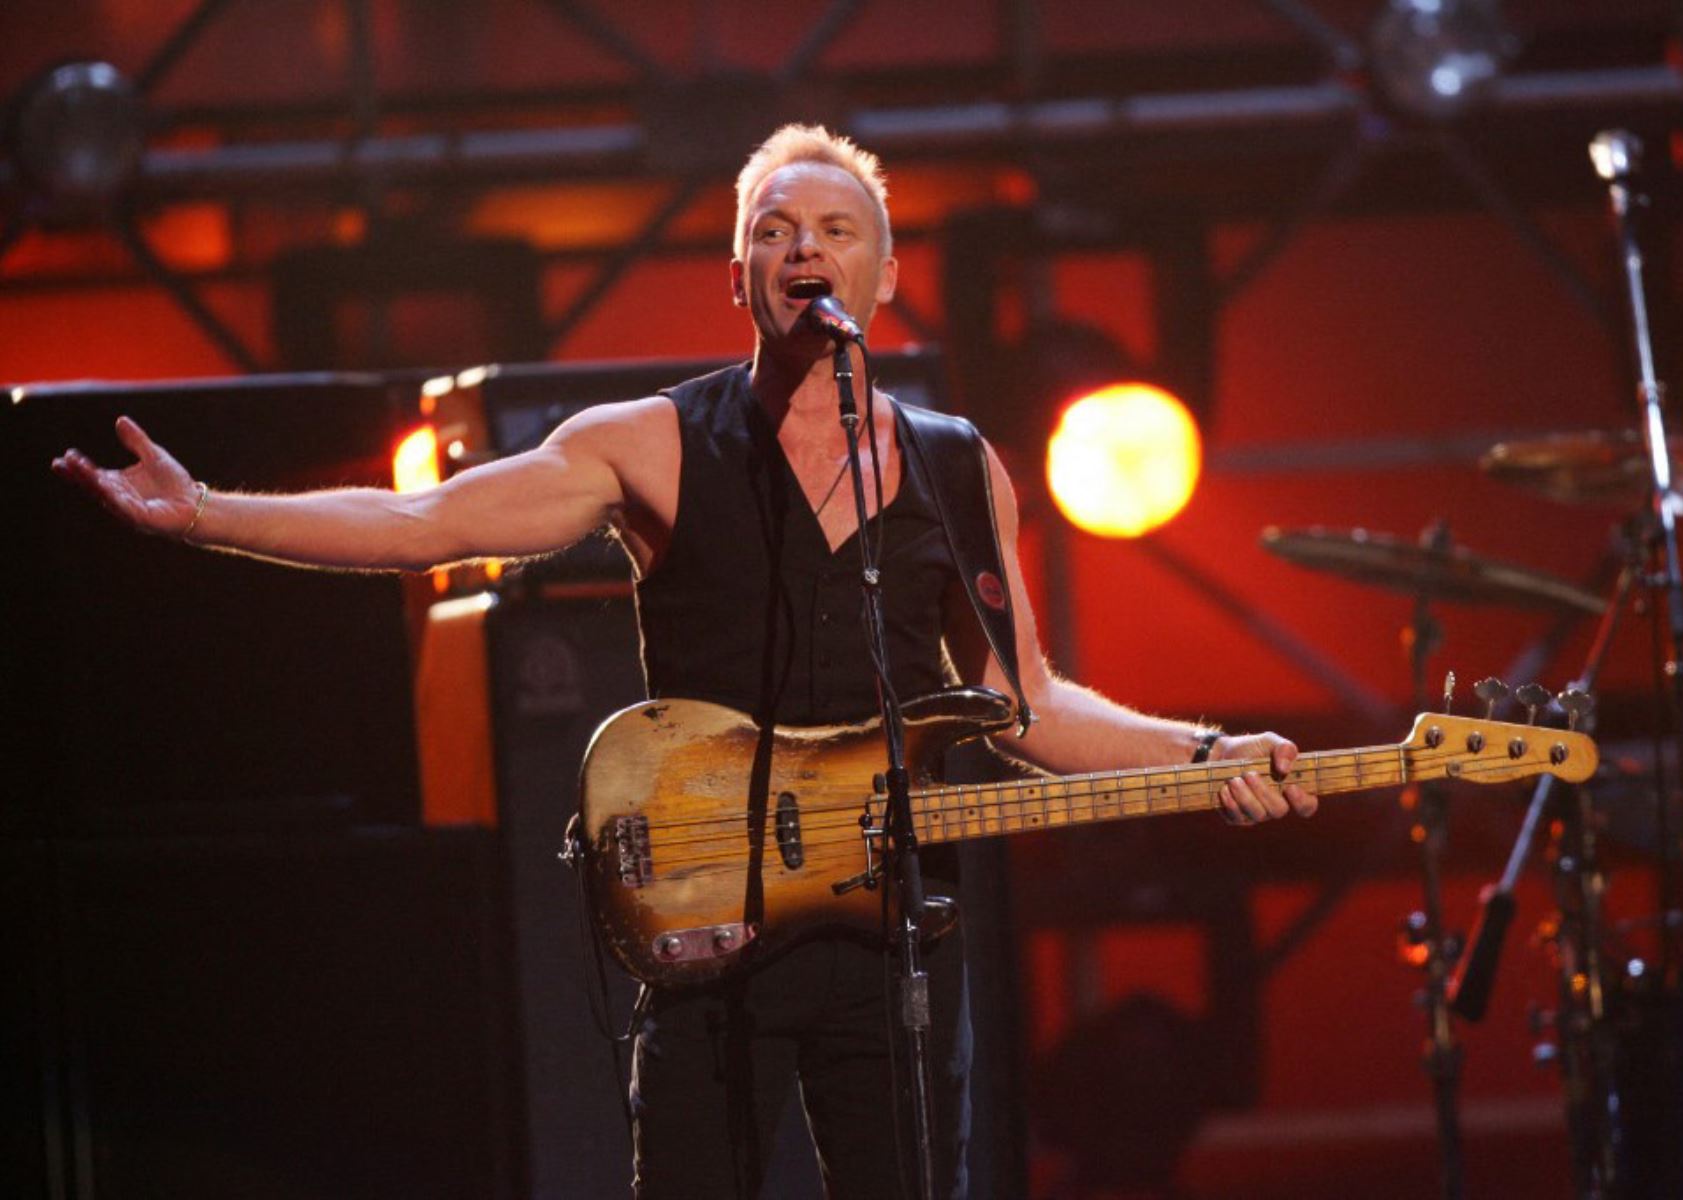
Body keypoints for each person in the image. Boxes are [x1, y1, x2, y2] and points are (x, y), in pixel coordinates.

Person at [54, 124, 1319, 1198]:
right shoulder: (650, 445)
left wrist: (1206, 757)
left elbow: (1024, 705)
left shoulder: (953, 464)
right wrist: (210, 510)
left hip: (895, 953)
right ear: (739, 272)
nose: (806, 249)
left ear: (881, 276)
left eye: (836, 229)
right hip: (713, 937)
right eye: (776, 230)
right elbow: (421, 524)